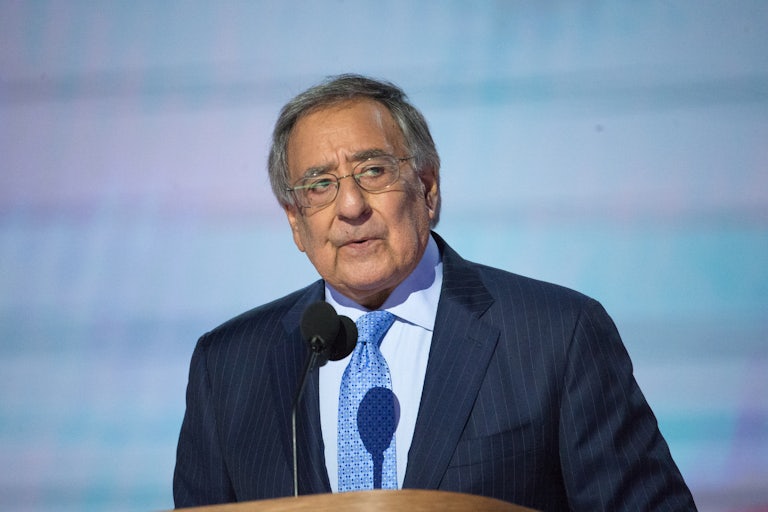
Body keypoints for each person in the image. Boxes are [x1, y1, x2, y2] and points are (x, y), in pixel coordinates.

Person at [173, 74, 697, 511]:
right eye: (319, 185)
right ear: (295, 220)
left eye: (372, 171)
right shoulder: (228, 367)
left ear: (427, 187)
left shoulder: (557, 336)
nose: (351, 205)